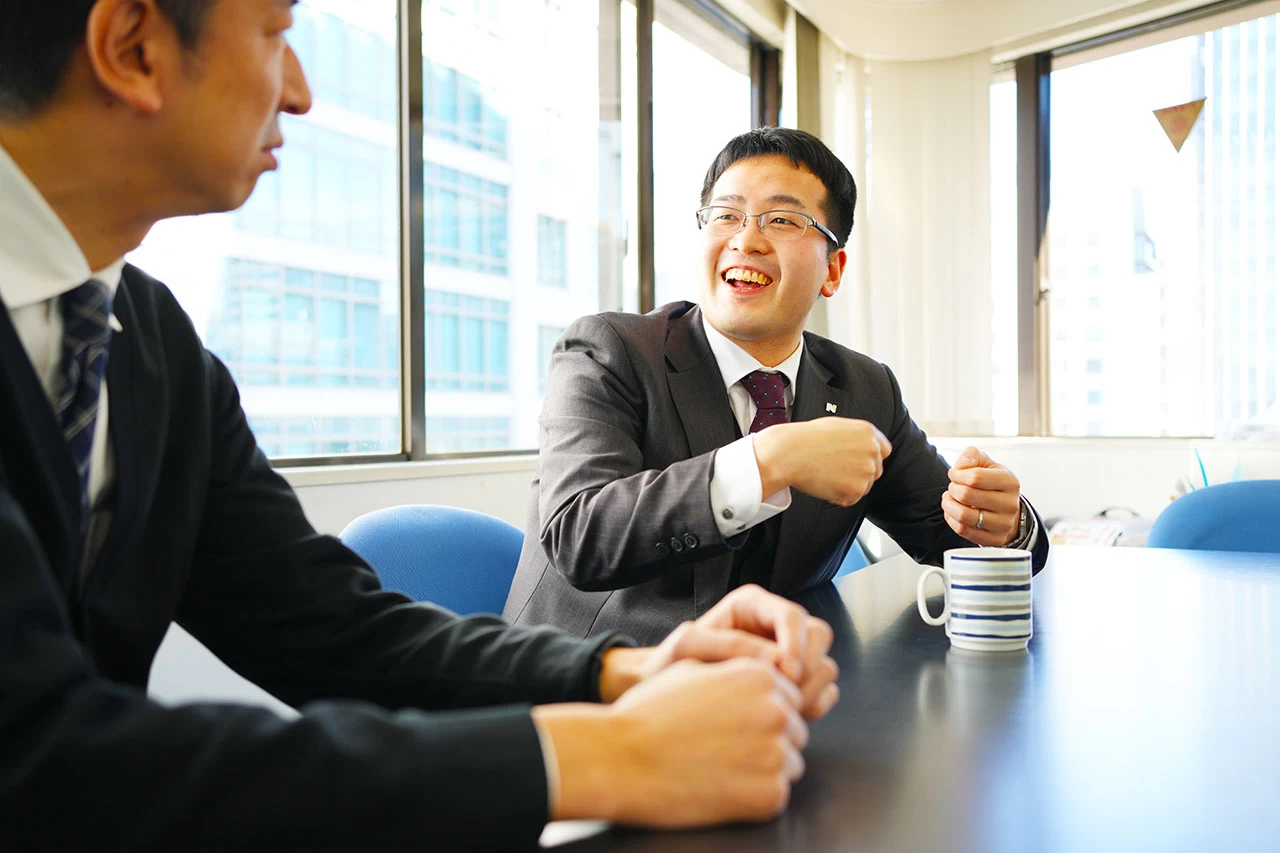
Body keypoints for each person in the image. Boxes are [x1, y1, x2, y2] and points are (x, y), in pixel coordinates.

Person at [0, 2, 841, 849]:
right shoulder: (613, 348)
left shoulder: (150, 344)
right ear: (132, 47)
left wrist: (627, 672)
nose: (297, 91)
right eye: (272, 37)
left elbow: (327, 624)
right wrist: (596, 755)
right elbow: (39, 752)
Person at [504, 127, 1050, 644]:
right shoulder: (609, 351)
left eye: (783, 221)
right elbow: (579, 535)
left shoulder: (866, 388)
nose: (746, 239)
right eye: (725, 215)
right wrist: (770, 459)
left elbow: (946, 531)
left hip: (773, 696)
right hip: (586, 696)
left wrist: (1005, 523)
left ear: (832, 270)